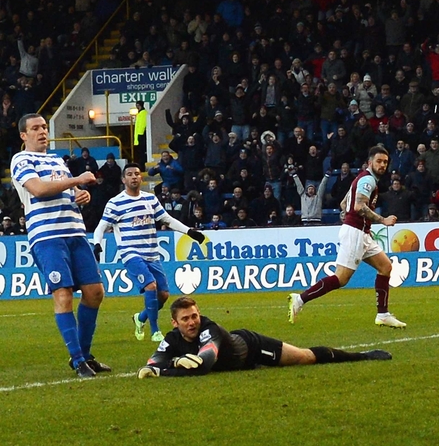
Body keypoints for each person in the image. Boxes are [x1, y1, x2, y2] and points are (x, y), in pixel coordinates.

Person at [10, 113, 110, 378]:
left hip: (76, 234)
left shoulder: (57, 160)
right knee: (63, 294)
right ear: (24, 135)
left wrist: (79, 196)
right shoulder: (21, 159)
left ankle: (84, 356)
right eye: (35, 128)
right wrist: (77, 180)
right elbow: (40, 189)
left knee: (95, 292)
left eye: (44, 127)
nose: (42, 131)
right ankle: (78, 361)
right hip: (48, 237)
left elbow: (63, 191)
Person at [289, 146, 406, 328]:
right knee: (341, 279)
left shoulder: (361, 178)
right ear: (370, 162)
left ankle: (382, 314)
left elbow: (344, 203)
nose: (383, 165)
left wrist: (353, 217)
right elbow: (359, 206)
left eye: (385, 162)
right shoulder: (368, 180)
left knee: (385, 267)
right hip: (355, 233)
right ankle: (300, 299)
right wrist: (382, 220)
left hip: (361, 232)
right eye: (379, 161)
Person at [137, 296, 392, 378]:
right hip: (237, 362)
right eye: (186, 319)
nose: (192, 322)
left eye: (194, 316)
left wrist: (164, 370)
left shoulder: (208, 329)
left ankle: (362, 355)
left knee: (305, 357)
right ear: (175, 323)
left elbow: (203, 365)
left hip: (251, 346)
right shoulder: (172, 339)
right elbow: (152, 363)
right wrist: (168, 365)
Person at [93, 163, 206, 342]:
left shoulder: (150, 199)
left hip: (152, 253)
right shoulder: (115, 203)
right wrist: (97, 244)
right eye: (129, 174)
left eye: (137, 174)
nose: (134, 177)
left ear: (141, 177)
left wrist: (189, 232)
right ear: (123, 179)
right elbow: (101, 226)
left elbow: (167, 219)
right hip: (130, 253)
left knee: (163, 295)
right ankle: (155, 331)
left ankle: (140, 318)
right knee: (151, 286)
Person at [134, 100, 148, 165]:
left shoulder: (143, 113)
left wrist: (140, 134)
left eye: (137, 105)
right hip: (139, 136)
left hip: (141, 135)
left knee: (142, 153)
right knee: (139, 153)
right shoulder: (140, 113)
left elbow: (143, 124)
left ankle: (142, 165)